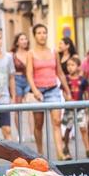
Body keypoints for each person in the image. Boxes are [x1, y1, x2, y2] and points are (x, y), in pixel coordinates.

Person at [27, 23, 67, 159]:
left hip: (53, 89)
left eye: (44, 32)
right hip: (37, 91)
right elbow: (29, 74)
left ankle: (60, 153)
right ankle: (39, 152)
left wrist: (66, 90)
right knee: (39, 124)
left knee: (57, 121)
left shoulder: (54, 52)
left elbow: (60, 73)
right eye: (39, 33)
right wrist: (35, 91)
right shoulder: (31, 53)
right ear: (34, 36)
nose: (42, 35)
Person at [11, 31, 32, 101]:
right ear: (17, 42)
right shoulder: (12, 55)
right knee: (18, 104)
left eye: (25, 39)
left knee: (29, 102)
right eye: (22, 39)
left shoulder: (30, 53)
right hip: (17, 80)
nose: (24, 41)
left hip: (29, 79)